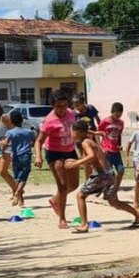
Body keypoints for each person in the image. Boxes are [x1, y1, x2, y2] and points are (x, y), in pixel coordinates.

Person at [66, 121, 139, 233]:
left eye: (72, 131)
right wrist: (76, 161)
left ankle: (84, 225)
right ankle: (138, 214)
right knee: (113, 202)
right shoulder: (89, 141)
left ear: (78, 132)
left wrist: (76, 163)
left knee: (80, 196)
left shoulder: (85, 142)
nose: (71, 133)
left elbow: (91, 156)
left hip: (101, 175)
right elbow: (90, 160)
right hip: (109, 173)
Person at [34, 90, 80, 229]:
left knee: (74, 185)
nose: (62, 109)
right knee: (63, 186)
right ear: (53, 106)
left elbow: (76, 130)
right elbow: (38, 141)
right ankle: (62, 218)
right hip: (54, 153)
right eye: (59, 106)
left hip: (70, 151)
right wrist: (38, 156)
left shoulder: (71, 113)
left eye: (65, 105)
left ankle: (55, 200)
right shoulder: (49, 121)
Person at [0, 110, 35, 207]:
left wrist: (2, 152)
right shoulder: (29, 132)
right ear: (22, 120)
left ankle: (20, 200)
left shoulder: (10, 133)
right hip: (26, 156)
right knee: (23, 177)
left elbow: (5, 143)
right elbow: (34, 142)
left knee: (16, 177)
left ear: (11, 121)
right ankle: (18, 192)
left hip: (15, 156)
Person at [96, 102, 126, 190]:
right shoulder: (105, 121)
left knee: (121, 170)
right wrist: (101, 148)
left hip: (116, 151)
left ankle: (116, 187)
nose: (118, 116)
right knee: (108, 172)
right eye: (116, 113)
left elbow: (119, 135)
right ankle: (104, 188)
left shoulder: (121, 123)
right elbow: (97, 134)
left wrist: (120, 145)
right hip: (107, 151)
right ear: (112, 111)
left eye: (120, 114)